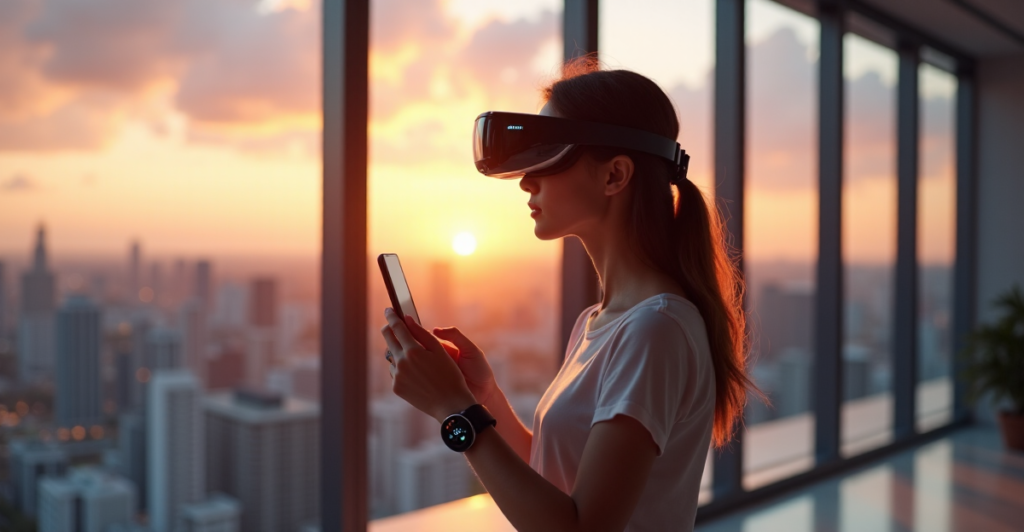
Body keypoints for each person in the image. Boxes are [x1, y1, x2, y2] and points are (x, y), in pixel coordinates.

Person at [379, 59, 759, 532]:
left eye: (552, 151)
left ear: (614, 176)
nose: (527, 179)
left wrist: (454, 412)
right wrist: (485, 396)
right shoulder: (600, 321)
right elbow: (555, 481)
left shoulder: (654, 329)